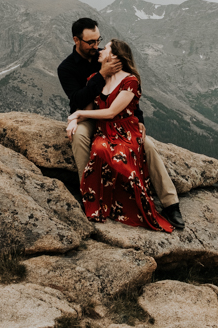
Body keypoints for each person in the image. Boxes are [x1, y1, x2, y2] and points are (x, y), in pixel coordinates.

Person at [57, 18, 185, 229]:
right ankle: (89, 195)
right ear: (76, 40)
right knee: (79, 137)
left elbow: (127, 92)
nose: (95, 46)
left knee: (148, 146)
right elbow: (78, 100)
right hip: (89, 115)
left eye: (98, 40)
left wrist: (139, 120)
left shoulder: (105, 58)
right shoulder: (67, 68)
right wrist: (101, 76)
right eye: (90, 42)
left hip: (115, 117)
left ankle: (171, 203)